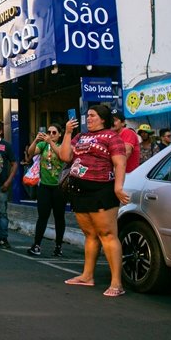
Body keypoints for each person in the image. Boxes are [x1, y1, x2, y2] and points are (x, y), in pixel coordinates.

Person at [58, 105, 130, 297]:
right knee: (90, 234)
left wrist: (118, 187)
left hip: (102, 190)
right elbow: (65, 156)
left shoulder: (112, 138)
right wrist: (67, 133)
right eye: (87, 116)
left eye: (92, 116)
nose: (88, 118)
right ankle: (87, 276)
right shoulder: (80, 136)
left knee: (107, 234)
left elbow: (120, 162)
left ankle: (117, 282)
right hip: (79, 190)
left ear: (103, 119)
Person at [26, 123, 67, 257]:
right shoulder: (44, 145)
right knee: (42, 216)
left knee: (59, 217)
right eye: (49, 132)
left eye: (54, 133)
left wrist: (51, 143)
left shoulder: (63, 146)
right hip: (44, 186)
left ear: (60, 134)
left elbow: (62, 156)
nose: (51, 135)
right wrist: (36, 141)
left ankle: (58, 246)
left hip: (59, 187)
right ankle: (36, 244)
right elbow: (30, 154)